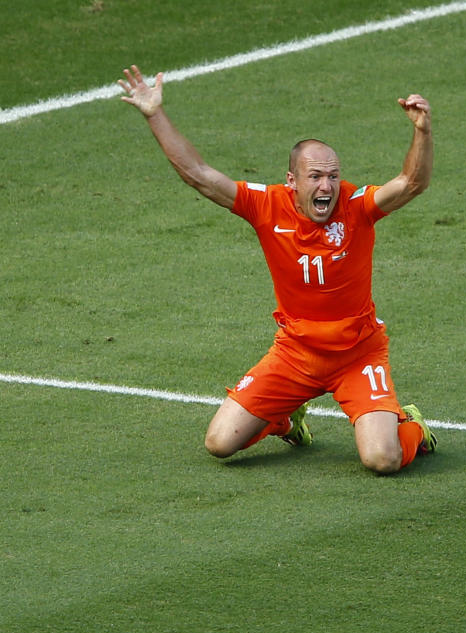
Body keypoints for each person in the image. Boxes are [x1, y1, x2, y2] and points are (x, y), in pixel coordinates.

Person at [118, 65, 436, 473]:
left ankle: (411, 426)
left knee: (382, 459)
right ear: (292, 181)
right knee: (218, 443)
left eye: (334, 177)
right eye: (316, 177)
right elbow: (198, 176)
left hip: (358, 354)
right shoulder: (266, 206)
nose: (327, 187)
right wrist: (154, 113)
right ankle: (285, 418)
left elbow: (412, 183)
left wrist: (422, 131)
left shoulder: (357, 206)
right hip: (295, 354)